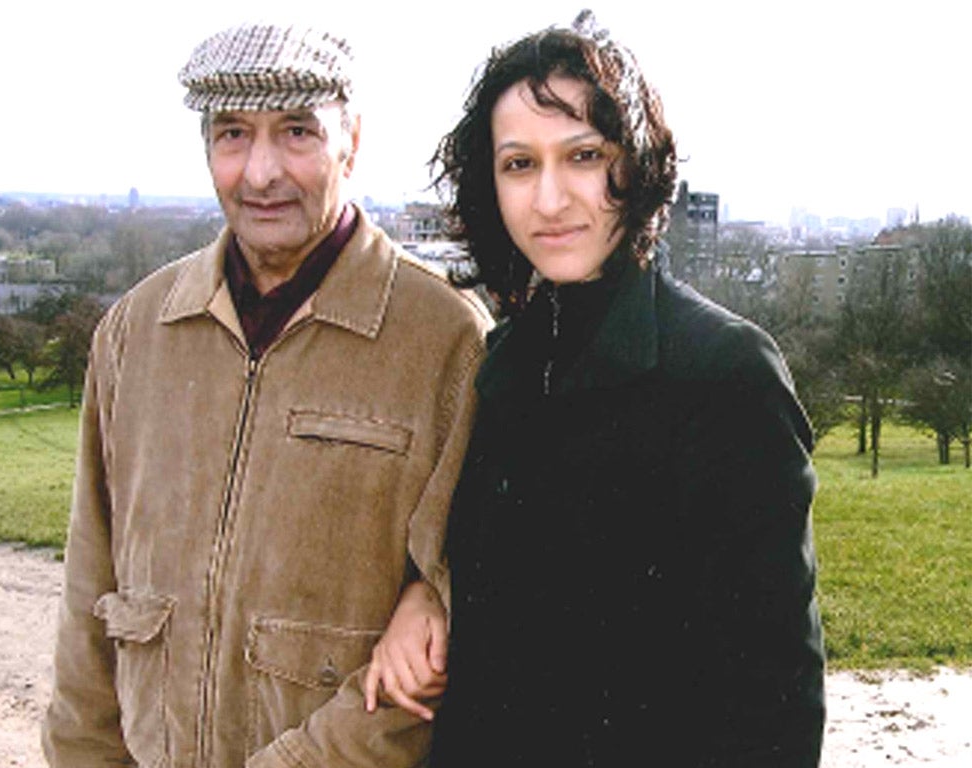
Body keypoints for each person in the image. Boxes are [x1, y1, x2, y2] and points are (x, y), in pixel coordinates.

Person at [363, 10, 826, 767]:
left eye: (582, 155)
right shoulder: (502, 360)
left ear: (637, 166)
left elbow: (774, 703)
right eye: (519, 164)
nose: (550, 199)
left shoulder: (725, 374)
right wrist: (426, 593)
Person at [41, 21, 490, 768]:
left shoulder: (446, 341)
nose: (260, 172)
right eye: (232, 135)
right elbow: (91, 599)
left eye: (296, 132)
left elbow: (449, 627)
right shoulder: (135, 332)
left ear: (353, 142)